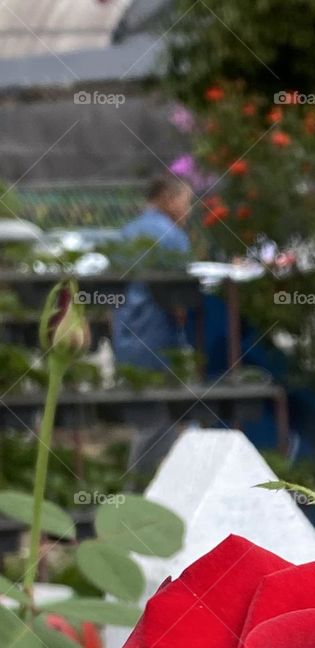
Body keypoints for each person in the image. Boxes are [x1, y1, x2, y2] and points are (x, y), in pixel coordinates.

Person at [112, 175, 193, 477]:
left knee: (147, 420)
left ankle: (141, 487)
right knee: (165, 421)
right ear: (170, 199)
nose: (189, 209)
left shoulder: (126, 233)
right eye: (187, 201)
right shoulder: (172, 236)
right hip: (161, 339)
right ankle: (138, 487)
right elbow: (181, 300)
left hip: (127, 335)